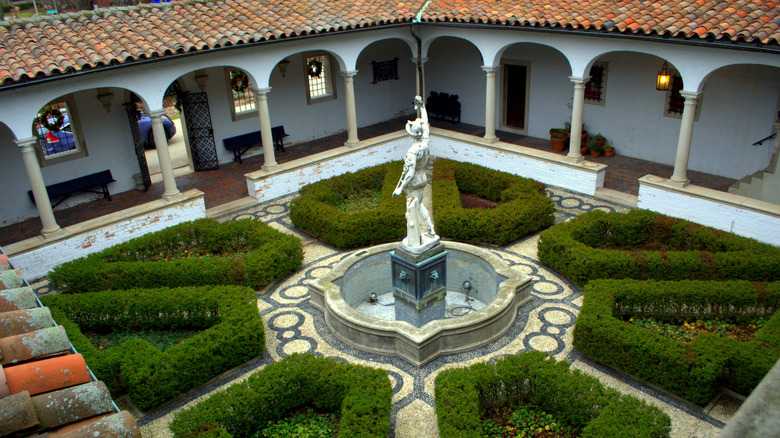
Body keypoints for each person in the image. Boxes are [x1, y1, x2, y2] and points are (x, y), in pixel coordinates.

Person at [394, 96, 436, 246]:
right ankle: (430, 231)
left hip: (414, 181)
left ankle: (417, 235)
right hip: (423, 177)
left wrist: (400, 188)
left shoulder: (412, 151)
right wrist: (422, 107)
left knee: (413, 208)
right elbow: (426, 125)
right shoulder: (424, 143)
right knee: (420, 205)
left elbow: (409, 174)